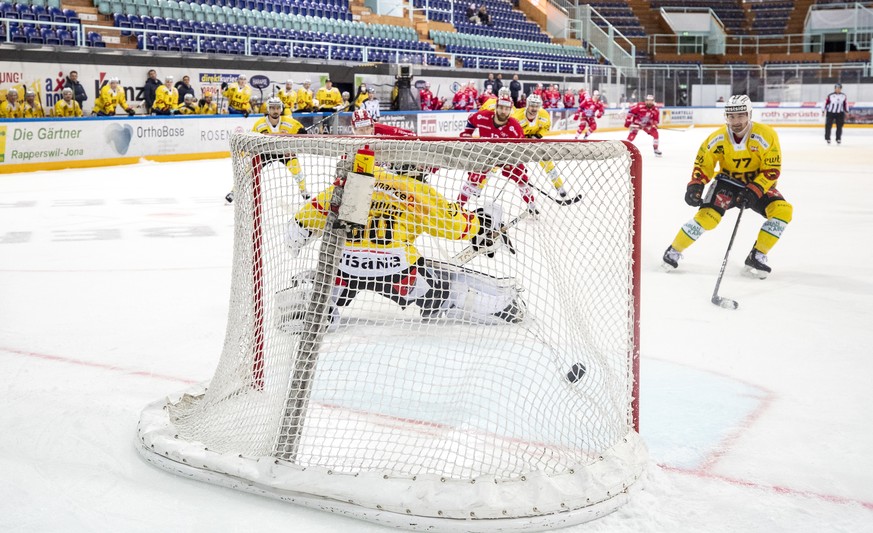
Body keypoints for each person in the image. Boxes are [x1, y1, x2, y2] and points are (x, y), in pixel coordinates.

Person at [281, 143, 522, 332]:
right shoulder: (416, 191)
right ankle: (502, 308)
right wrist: (481, 225)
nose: (422, 171)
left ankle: (315, 303)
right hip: (398, 270)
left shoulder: (354, 182)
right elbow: (452, 225)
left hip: (345, 267)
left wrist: (303, 234)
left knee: (328, 282)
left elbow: (302, 225)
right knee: (446, 292)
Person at [662, 95, 793, 279]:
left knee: (783, 211)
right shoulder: (717, 138)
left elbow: (771, 170)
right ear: (726, 117)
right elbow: (703, 164)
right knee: (708, 218)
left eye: (741, 116)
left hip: (756, 184)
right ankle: (673, 250)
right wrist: (696, 185)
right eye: (731, 117)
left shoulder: (766, 135)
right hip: (727, 183)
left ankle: (757, 255)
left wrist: (755, 189)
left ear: (749, 114)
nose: (736, 121)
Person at [457, 97, 536, 214]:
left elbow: (520, 149)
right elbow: (471, 120)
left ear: (510, 110)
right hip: (485, 155)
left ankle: (532, 206)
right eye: (500, 108)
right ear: (496, 108)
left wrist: (512, 160)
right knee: (473, 179)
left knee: (522, 178)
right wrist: (467, 134)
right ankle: (457, 207)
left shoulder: (515, 128)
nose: (503, 111)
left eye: (506, 109)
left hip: (506, 157)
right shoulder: (483, 116)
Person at [226, 97, 308, 204]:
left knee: (296, 169)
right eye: (272, 108)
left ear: (281, 109)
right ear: (268, 109)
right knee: (248, 171)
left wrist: (302, 132)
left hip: (284, 152)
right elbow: (252, 139)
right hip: (265, 153)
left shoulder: (290, 122)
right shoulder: (259, 124)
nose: (275, 111)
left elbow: (302, 133)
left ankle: (304, 191)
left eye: (278, 108)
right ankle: (234, 191)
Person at [511, 93, 567, 198]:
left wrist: (537, 135)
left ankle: (559, 186)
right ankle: (478, 185)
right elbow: (511, 132)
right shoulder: (517, 117)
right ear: (527, 105)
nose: (534, 108)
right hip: (520, 145)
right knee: (507, 164)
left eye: (536, 106)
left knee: (548, 164)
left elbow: (546, 127)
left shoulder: (543, 114)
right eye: (532, 105)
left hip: (536, 143)